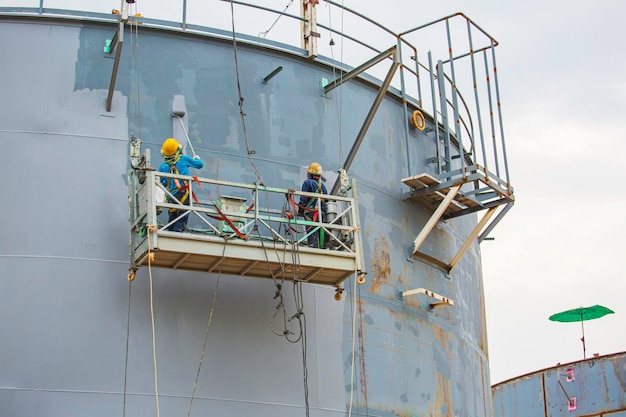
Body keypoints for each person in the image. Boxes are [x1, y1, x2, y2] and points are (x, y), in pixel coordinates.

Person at [158, 138, 204, 232]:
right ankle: (178, 231)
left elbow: (162, 182)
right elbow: (199, 165)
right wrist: (197, 158)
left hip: (171, 195)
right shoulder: (184, 159)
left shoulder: (162, 167)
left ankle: (171, 231)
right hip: (183, 192)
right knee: (183, 211)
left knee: (173, 214)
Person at [298, 162, 328, 248]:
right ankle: (322, 248)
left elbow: (303, 198)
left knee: (312, 233)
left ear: (309, 174)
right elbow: (326, 200)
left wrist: (300, 211)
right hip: (321, 214)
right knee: (321, 232)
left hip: (311, 213)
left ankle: (313, 247)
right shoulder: (322, 186)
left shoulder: (307, 183)